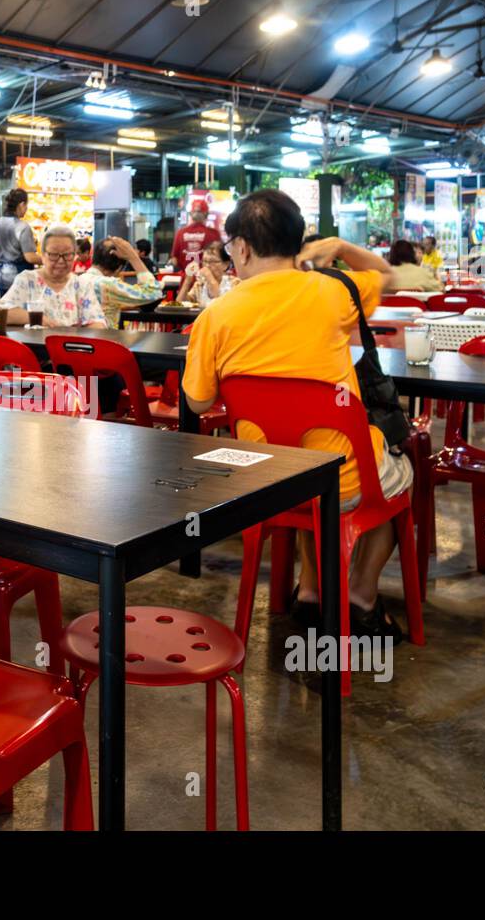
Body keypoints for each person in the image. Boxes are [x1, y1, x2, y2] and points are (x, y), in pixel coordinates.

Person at [182, 190, 410, 640]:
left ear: (242, 247)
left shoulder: (216, 315)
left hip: (264, 482)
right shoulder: (336, 289)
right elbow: (390, 275)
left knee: (304, 469)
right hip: (339, 482)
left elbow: (197, 404)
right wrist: (340, 249)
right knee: (398, 468)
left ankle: (310, 593)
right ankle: (360, 596)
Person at [0, 224, 105, 328]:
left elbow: (98, 324)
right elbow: (0, 313)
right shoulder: (27, 280)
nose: (61, 261)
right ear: (42, 255)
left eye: (67, 255)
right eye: (53, 255)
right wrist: (38, 319)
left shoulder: (82, 285)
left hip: (70, 346)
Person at [82, 236, 162, 327]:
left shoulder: (78, 280)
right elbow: (154, 293)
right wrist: (133, 257)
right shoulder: (108, 285)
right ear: (119, 268)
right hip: (106, 339)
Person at [0, 188, 41, 299]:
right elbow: (30, 257)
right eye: (26, 206)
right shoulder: (22, 227)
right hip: (17, 280)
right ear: (22, 205)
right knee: (17, 314)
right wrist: (47, 259)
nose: (26, 209)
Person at [178, 240, 234, 306]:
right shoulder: (200, 285)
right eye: (204, 261)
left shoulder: (234, 283)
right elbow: (179, 303)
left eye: (212, 261)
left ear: (226, 265)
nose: (207, 266)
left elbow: (219, 305)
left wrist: (210, 279)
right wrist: (187, 281)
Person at [171, 199, 221, 272]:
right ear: (206, 214)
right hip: (207, 278)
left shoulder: (180, 233)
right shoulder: (214, 234)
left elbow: (174, 259)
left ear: (191, 213)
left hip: (185, 279)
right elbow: (219, 258)